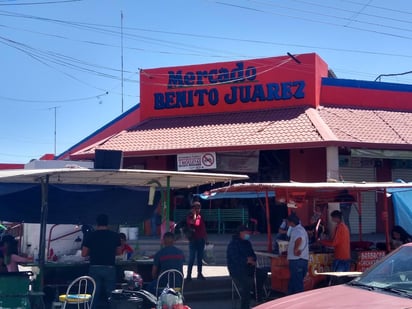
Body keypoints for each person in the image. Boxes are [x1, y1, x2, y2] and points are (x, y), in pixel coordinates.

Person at [82, 214, 122, 309]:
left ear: (97, 223)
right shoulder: (115, 236)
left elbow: (84, 253)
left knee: (94, 294)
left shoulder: (90, 235)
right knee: (111, 294)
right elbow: (119, 252)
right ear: (107, 223)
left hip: (94, 267)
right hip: (109, 267)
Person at [227, 225, 267, 309]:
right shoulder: (233, 244)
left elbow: (253, 254)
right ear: (241, 233)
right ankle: (244, 306)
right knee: (247, 282)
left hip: (249, 268)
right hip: (237, 270)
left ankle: (256, 296)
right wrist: (246, 260)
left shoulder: (247, 243)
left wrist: (253, 260)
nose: (248, 234)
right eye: (246, 233)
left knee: (262, 274)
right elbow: (234, 258)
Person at [286, 213, 309, 295]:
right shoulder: (302, 229)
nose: (287, 224)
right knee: (294, 282)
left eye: (288, 222)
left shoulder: (296, 230)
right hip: (302, 260)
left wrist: (295, 250)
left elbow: (299, 239)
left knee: (297, 285)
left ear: (291, 222)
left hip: (296, 261)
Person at [186, 201, 207, 281]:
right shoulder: (190, 216)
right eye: (196, 208)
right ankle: (189, 275)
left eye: (199, 208)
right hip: (193, 240)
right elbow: (195, 223)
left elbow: (203, 228)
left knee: (200, 258)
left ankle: (199, 273)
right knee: (191, 258)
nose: (198, 209)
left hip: (201, 239)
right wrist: (194, 214)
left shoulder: (200, 216)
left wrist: (206, 238)